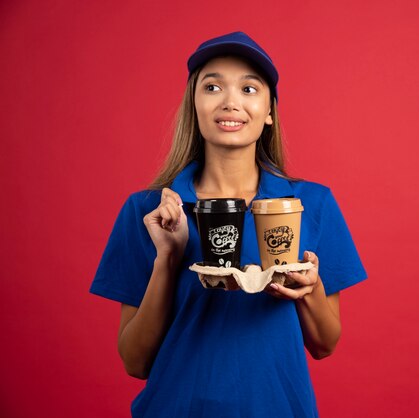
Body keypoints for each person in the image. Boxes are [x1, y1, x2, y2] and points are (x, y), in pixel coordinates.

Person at [90, 31, 367, 417]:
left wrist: (309, 288)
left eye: (249, 89)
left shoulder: (310, 204)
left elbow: (325, 344)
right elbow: (135, 363)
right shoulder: (151, 211)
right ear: (195, 106)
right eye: (213, 86)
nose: (231, 101)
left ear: (269, 111)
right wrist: (168, 259)